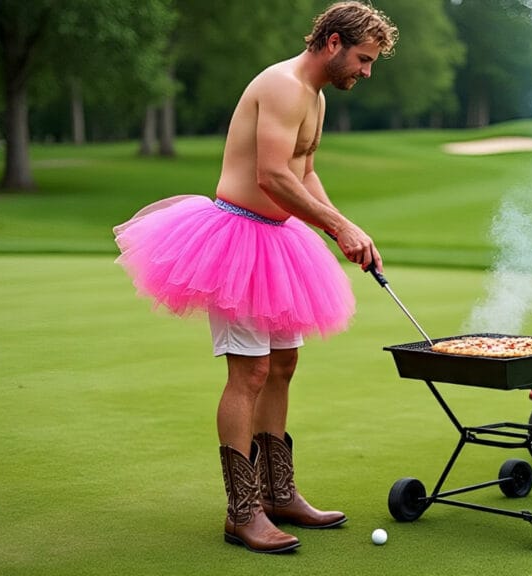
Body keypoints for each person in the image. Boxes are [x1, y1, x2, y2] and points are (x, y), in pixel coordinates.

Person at [113, 1, 397, 554]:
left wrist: (348, 225)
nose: (366, 72)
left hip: (279, 242)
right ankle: (242, 512)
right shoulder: (285, 85)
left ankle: (278, 492)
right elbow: (269, 176)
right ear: (334, 42)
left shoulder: (313, 97)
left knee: (284, 365)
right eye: (364, 59)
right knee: (250, 373)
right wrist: (337, 229)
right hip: (236, 240)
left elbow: (304, 172)